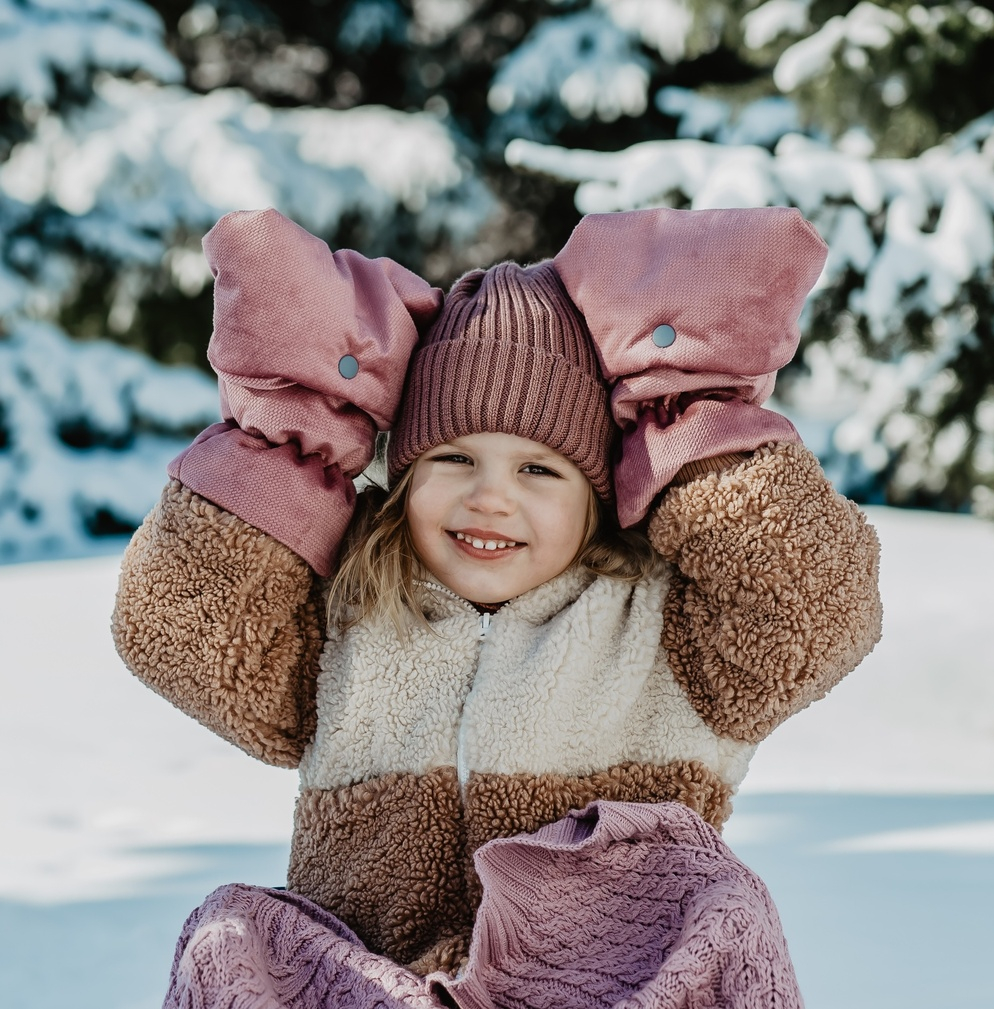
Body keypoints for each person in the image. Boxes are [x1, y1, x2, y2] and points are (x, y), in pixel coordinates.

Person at [112, 205, 882, 986]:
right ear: (403, 478)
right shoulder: (352, 613)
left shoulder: (664, 627)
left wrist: (691, 419)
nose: (490, 496)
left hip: (606, 991)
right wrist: (286, 438)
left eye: (538, 469)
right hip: (382, 986)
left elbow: (811, 612)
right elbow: (185, 636)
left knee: (729, 910)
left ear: (598, 491)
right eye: (453, 459)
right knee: (230, 937)